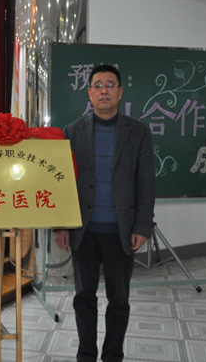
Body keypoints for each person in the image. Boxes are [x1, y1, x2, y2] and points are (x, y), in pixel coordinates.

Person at [55, 64, 156, 362]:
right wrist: (61, 225)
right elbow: (62, 183)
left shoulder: (138, 132)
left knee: (119, 300)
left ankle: (113, 356)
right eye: (98, 85)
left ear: (120, 92)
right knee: (83, 297)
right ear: (89, 93)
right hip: (83, 232)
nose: (104, 91)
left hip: (121, 232)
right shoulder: (71, 131)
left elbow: (146, 183)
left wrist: (142, 226)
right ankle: (86, 355)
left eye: (110, 85)